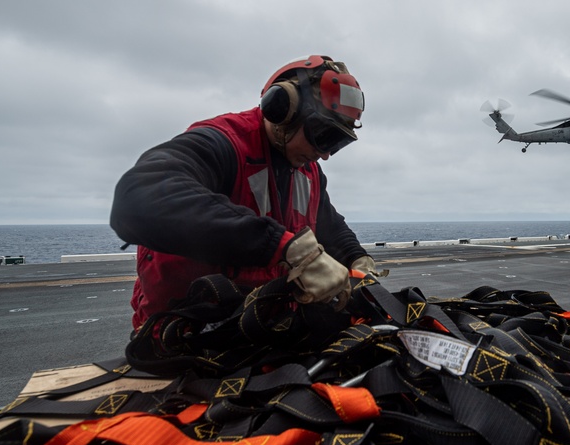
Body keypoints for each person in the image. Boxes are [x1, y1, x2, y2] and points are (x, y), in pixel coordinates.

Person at [111, 55, 378, 331]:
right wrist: (282, 246)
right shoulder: (222, 144)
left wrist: (356, 258)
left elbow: (328, 222)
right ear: (282, 108)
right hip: (184, 335)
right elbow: (136, 199)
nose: (325, 154)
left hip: (255, 332)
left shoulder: (307, 170)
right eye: (323, 136)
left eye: (338, 143)